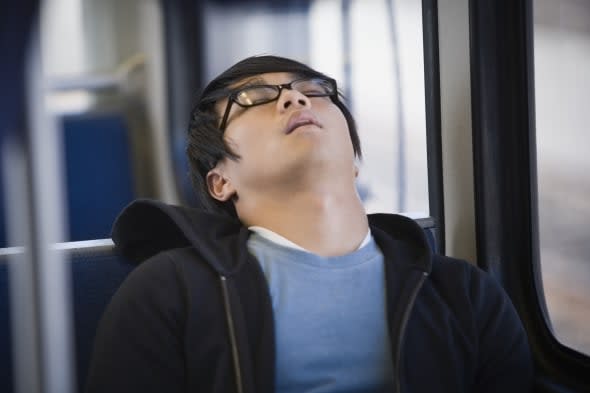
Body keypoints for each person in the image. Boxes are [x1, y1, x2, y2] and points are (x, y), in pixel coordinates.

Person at [86, 55, 533, 393]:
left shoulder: (463, 293)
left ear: (354, 160)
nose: (295, 98)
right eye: (254, 99)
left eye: (316, 91)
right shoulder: (170, 292)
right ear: (220, 181)